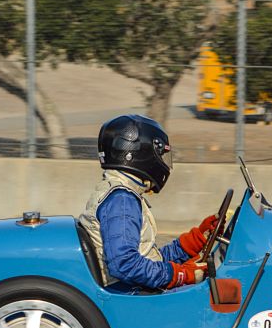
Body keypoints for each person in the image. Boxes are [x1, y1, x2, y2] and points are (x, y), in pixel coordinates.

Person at [79, 114, 218, 292]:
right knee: (211, 295)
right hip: (131, 294)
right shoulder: (122, 200)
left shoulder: (121, 194)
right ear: (143, 154)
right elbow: (125, 265)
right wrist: (180, 275)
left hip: (133, 288)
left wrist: (195, 241)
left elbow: (150, 258)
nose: (163, 163)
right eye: (161, 155)